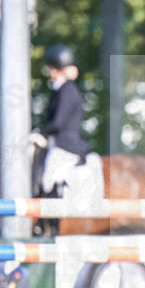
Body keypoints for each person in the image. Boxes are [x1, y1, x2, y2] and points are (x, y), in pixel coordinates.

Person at [35, 44, 88, 196]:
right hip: (58, 143)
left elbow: (57, 123)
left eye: (51, 67)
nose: (48, 71)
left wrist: (40, 132)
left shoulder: (67, 90)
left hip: (65, 146)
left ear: (57, 68)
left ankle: (53, 218)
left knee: (47, 180)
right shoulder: (61, 89)